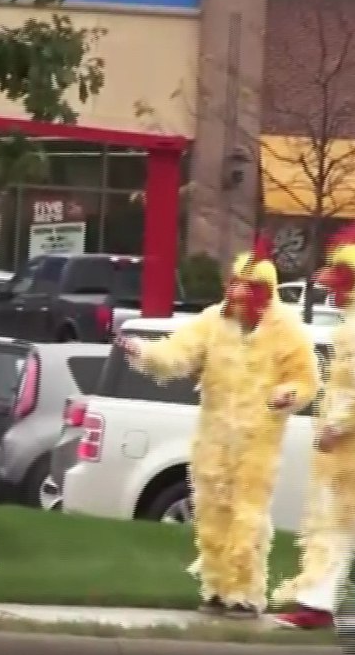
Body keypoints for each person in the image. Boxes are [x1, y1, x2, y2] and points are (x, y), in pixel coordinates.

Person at [117, 237, 319, 618]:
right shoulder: (213, 322)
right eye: (234, 286)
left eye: (247, 289)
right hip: (213, 438)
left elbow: (307, 380)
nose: (237, 296)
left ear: (264, 293)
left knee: (247, 513)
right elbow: (177, 354)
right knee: (210, 512)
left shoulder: (286, 329)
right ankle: (215, 587)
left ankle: (244, 593)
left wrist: (286, 395)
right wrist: (144, 352)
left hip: (258, 440)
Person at [271, 220, 355, 630]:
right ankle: (319, 604)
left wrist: (337, 424)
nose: (331, 290)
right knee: (346, 522)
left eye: (338, 281)